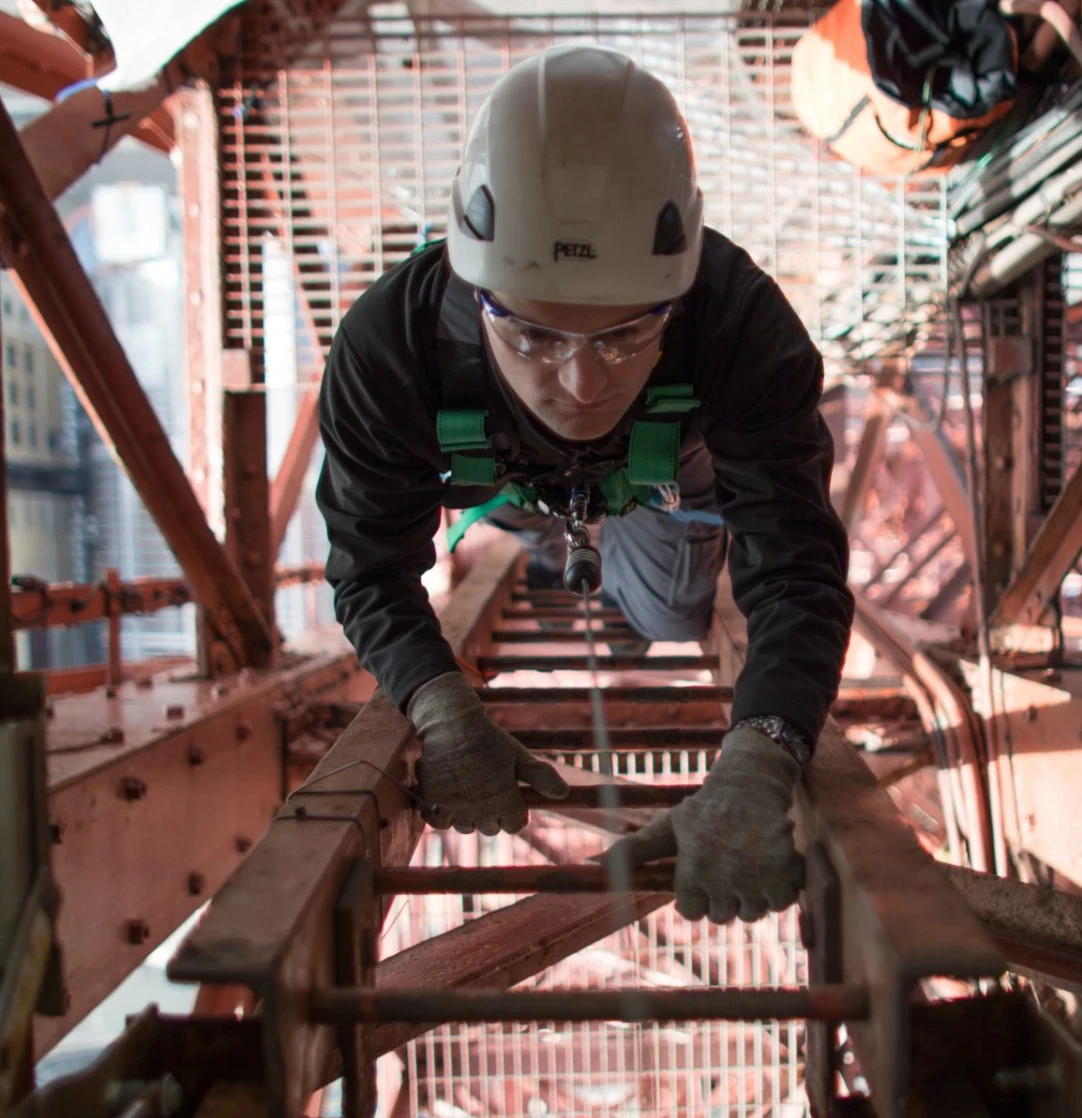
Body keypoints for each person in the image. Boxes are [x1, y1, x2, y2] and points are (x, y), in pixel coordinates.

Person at [317, 46, 854, 925]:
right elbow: (369, 565)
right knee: (535, 515)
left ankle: (560, 530)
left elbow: (795, 564)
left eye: (624, 335)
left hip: (659, 480)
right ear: (473, 281)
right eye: (532, 337)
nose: (580, 385)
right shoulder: (390, 348)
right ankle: (538, 525)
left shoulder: (738, 321)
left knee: (672, 616)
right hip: (495, 474)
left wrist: (767, 749)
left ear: (677, 294)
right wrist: (439, 703)